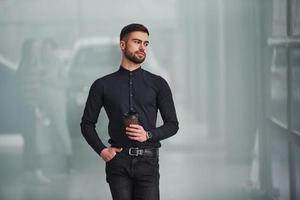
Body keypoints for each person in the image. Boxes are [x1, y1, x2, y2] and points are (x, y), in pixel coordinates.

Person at [81, 23, 179, 200]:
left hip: (148, 163)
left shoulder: (158, 84)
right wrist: (102, 151)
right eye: (137, 42)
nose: (142, 47)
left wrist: (148, 135)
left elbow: (173, 125)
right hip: (118, 162)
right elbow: (87, 124)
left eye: (146, 43)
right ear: (123, 45)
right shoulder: (102, 85)